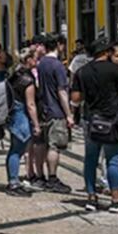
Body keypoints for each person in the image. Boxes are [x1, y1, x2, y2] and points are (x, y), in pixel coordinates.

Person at [72, 39, 118, 211]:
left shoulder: (81, 72)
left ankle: (91, 198)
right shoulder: (114, 69)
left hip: (91, 120)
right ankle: (116, 199)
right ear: (107, 52)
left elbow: (76, 99)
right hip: (112, 119)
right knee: (113, 161)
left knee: (91, 160)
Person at [35, 34, 74, 193]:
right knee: (54, 146)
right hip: (56, 110)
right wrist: (69, 114)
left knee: (41, 143)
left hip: (43, 109)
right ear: (59, 45)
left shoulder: (41, 64)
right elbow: (62, 92)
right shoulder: (58, 66)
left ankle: (39, 176)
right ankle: (52, 178)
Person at [6, 48, 40, 197]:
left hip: (12, 113)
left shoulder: (15, 74)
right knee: (17, 149)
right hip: (21, 115)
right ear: (28, 60)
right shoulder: (28, 79)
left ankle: (13, 180)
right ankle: (13, 182)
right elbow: (31, 104)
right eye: (35, 59)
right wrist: (36, 124)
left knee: (15, 148)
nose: (37, 62)